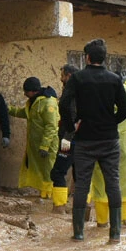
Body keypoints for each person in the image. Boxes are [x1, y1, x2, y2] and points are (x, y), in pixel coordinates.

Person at [61, 39, 126, 244]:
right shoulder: (114, 79)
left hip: (85, 140)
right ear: (104, 57)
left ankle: (79, 233)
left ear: (87, 57)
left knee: (82, 184)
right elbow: (125, 110)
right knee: (113, 183)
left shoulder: (78, 78)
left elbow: (64, 103)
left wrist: (72, 126)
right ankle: (115, 233)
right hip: (109, 140)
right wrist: (110, 122)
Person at [89, 72, 126, 229]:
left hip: (100, 141)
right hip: (123, 145)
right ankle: (124, 221)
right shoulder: (119, 88)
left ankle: (102, 222)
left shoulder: (92, 88)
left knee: (101, 181)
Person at [7, 76, 60, 198]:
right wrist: (9, 110)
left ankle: (50, 195)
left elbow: (51, 126)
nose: (25, 94)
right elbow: (26, 113)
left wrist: (45, 146)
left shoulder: (48, 103)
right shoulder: (34, 102)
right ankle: (44, 193)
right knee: (41, 169)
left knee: (48, 170)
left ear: (33, 91)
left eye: (26, 91)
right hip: (36, 144)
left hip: (48, 145)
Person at [48, 64, 80, 212]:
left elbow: (72, 116)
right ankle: (82, 208)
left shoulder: (71, 92)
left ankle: (59, 207)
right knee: (80, 173)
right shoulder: (83, 90)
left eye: (62, 76)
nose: (61, 79)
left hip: (70, 139)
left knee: (58, 171)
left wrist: (67, 137)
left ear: (68, 75)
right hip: (82, 139)